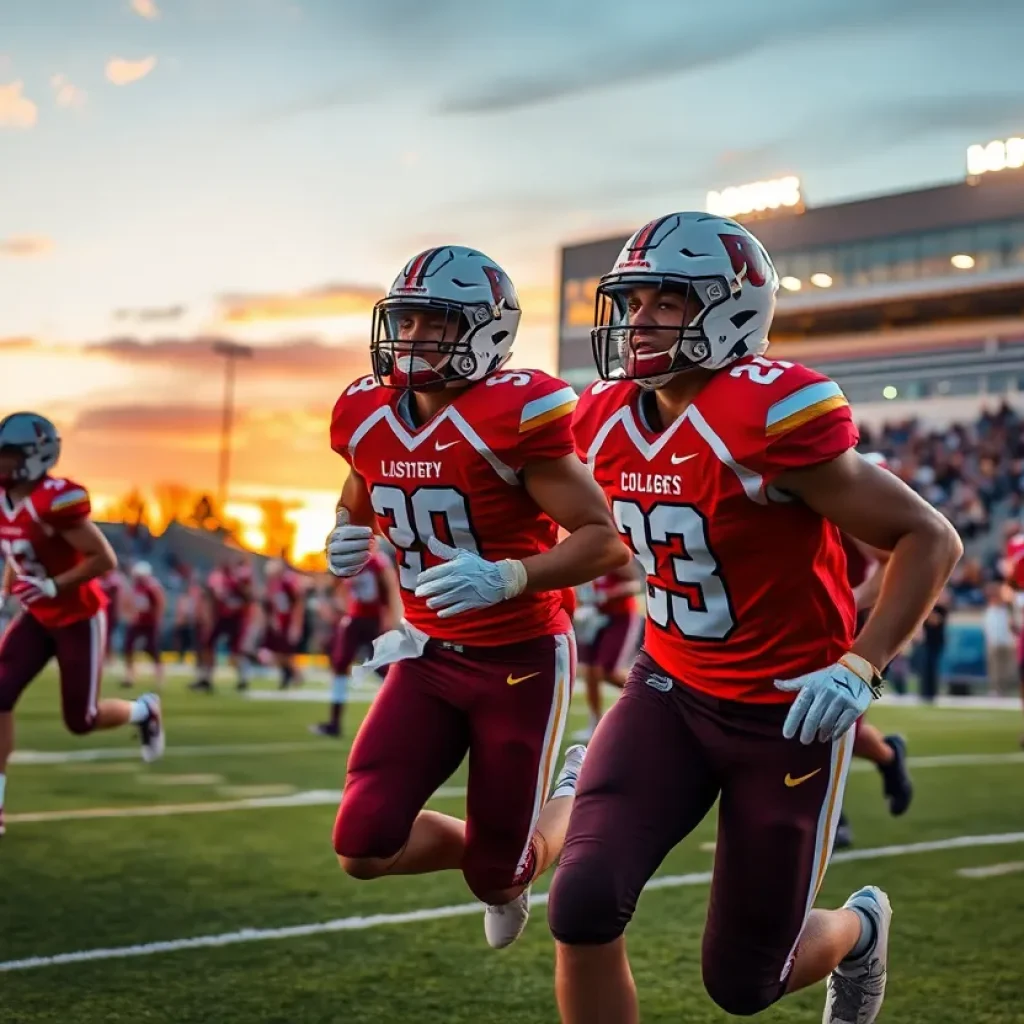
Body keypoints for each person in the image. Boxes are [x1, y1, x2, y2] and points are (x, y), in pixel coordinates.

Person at [548, 212, 962, 1023]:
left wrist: (861, 663)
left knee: (744, 984)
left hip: (785, 715)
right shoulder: (599, 419)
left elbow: (927, 537)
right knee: (583, 902)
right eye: (632, 303)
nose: (637, 322)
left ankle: (860, 928)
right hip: (668, 690)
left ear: (728, 310)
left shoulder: (768, 413)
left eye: (663, 302)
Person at [327, 244, 628, 949]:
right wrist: (345, 531)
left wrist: (509, 575)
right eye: (404, 322)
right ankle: (497, 852)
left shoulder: (515, 414)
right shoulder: (365, 411)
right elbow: (361, 487)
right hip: (426, 654)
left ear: (483, 334)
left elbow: (604, 540)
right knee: (362, 845)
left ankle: (564, 795)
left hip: (519, 658)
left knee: (500, 877)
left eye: (432, 323)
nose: (410, 340)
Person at [0, 412, 165, 838]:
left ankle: (145, 710)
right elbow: (17, 553)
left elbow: (103, 559)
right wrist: (8, 591)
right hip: (37, 615)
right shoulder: (6, 498)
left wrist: (55, 586)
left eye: (9, 455)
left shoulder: (53, 501)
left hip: (78, 617)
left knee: (81, 719)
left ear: (35, 457)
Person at [832, 452, 914, 850]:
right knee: (828, 721)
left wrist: (848, 599)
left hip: (854, 623)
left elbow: (895, 563)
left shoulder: (836, 492)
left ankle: (832, 818)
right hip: (818, 618)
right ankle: (888, 756)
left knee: (831, 717)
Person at [310, 550, 400, 738]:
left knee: (381, 668)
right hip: (354, 618)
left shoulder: (377, 561)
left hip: (373, 620)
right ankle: (334, 723)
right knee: (340, 664)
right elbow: (335, 585)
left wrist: (391, 617)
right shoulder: (348, 560)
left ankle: (404, 708)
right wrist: (337, 605)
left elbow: (390, 587)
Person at [573, 563, 644, 740]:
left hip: (619, 616)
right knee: (590, 671)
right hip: (594, 617)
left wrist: (608, 595)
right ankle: (594, 723)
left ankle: (647, 695)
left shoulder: (611, 550)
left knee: (606, 670)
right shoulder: (584, 554)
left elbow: (636, 583)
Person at [122, 560, 166, 690]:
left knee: (152, 649)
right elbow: (131, 602)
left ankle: (160, 676)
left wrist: (157, 619)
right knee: (128, 646)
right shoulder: (136, 586)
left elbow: (159, 604)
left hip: (149, 622)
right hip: (137, 622)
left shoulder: (152, 587)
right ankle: (130, 675)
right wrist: (131, 615)